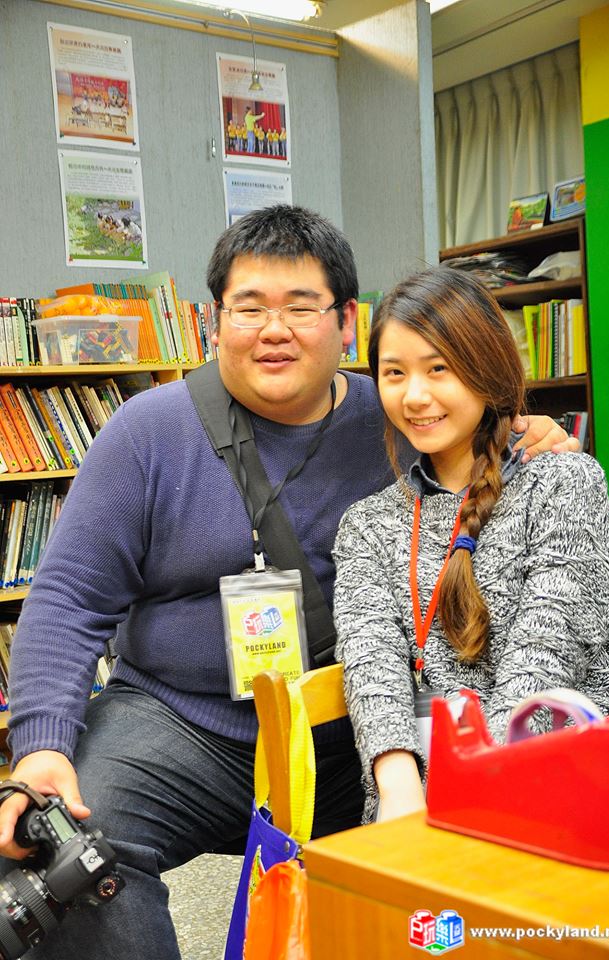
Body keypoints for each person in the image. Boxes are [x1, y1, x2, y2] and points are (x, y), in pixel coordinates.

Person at [0, 207, 576, 960]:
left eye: (301, 307)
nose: (274, 330)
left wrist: (528, 432)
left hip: (359, 726)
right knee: (67, 843)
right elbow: (69, 596)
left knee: (438, 879)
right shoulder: (146, 432)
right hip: (180, 723)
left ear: (346, 322)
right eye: (249, 308)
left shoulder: (403, 416)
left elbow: (496, 470)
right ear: (216, 321)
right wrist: (40, 746)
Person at [332, 267, 609, 826]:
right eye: (394, 373)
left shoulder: (564, 485)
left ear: (487, 369)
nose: (415, 395)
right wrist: (399, 793)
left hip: (569, 796)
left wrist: (469, 794)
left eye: (438, 368)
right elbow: (372, 666)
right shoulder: (367, 525)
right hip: (421, 809)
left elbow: (544, 662)